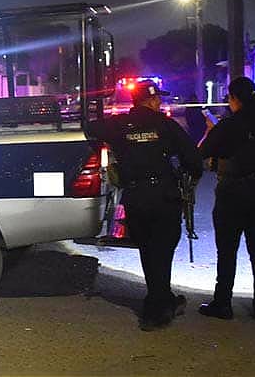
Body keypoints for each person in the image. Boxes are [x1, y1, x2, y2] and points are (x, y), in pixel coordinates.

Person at [90, 80, 203, 331]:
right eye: (157, 99)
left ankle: (161, 299)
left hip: (136, 196)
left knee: (147, 250)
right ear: (151, 100)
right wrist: (188, 175)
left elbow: (91, 128)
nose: (159, 102)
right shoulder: (165, 124)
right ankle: (157, 310)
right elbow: (194, 159)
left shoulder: (119, 124)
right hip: (164, 196)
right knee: (163, 251)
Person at [198, 76, 255, 322]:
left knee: (227, 251)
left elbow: (202, 152)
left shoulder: (230, 125)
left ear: (234, 98)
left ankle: (223, 303)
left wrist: (211, 129)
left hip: (232, 193)